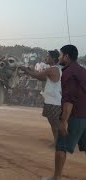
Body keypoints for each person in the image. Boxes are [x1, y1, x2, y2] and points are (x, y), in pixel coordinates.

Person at [42, 45, 86, 180]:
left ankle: (56, 177)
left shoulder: (68, 73)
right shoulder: (82, 70)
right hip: (84, 115)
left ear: (66, 56)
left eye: (60, 55)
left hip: (74, 116)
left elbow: (69, 99)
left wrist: (63, 121)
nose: (59, 57)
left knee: (61, 147)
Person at [20, 50, 62, 145]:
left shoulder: (52, 69)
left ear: (53, 58)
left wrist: (26, 70)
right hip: (51, 100)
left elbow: (37, 75)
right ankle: (57, 141)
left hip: (54, 101)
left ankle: (59, 142)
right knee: (53, 123)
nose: (46, 58)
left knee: (55, 123)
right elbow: (40, 77)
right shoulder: (53, 69)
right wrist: (28, 71)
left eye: (48, 56)